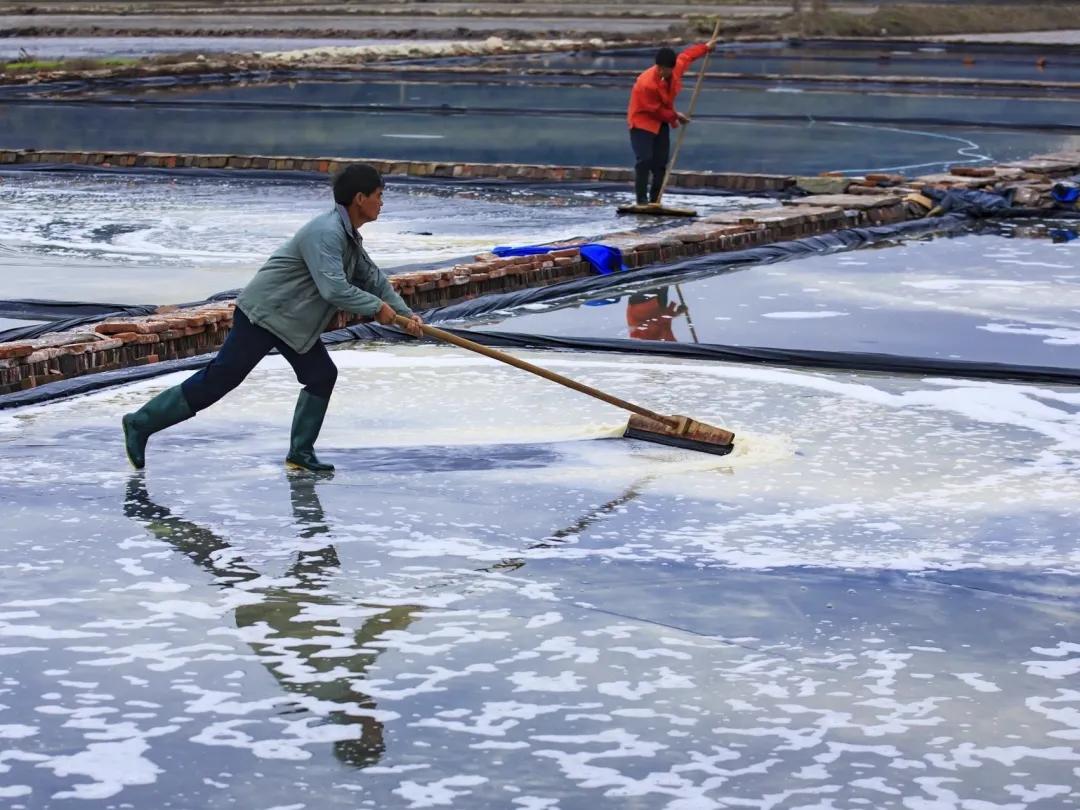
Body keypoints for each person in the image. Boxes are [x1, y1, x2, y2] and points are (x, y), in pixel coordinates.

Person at [122, 163, 423, 473]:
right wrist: (376, 308)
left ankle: (300, 453)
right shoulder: (326, 232)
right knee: (220, 379)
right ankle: (140, 423)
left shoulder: (348, 238)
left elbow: (373, 278)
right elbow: (334, 289)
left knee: (321, 375)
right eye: (379, 195)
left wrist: (404, 313)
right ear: (360, 198)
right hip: (263, 316)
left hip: (291, 323)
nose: (382, 202)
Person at [627, 38, 716, 206]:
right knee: (645, 160)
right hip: (642, 122)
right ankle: (641, 200)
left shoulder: (674, 70)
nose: (667, 73)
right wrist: (676, 116)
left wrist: (705, 47)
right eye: (664, 70)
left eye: (670, 70)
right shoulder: (645, 84)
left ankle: (655, 199)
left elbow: (687, 56)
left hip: (661, 122)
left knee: (661, 163)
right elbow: (654, 109)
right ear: (659, 67)